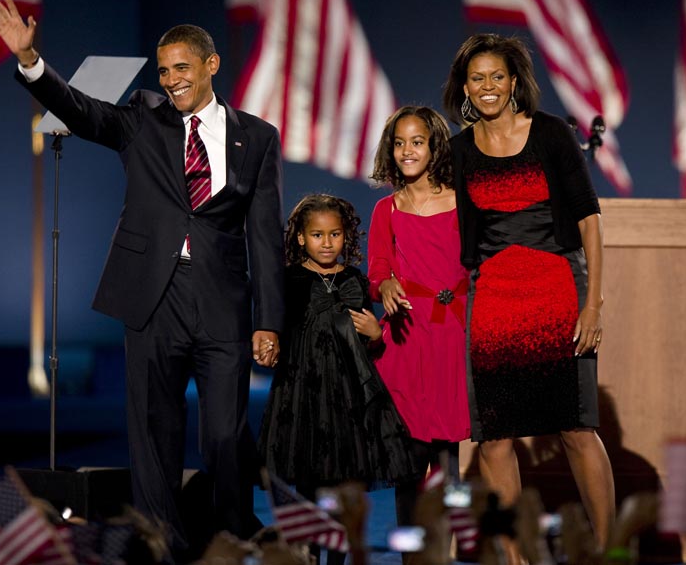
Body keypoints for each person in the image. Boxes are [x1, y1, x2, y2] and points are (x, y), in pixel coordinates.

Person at [0, 0, 285, 560]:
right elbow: (79, 110)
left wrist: (268, 321)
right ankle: (161, 548)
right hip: (152, 299)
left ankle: (230, 542)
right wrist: (31, 62)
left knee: (224, 436)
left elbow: (265, 236)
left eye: (181, 69)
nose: (171, 80)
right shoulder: (142, 119)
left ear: (211, 65)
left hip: (222, 304)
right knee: (153, 436)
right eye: (164, 69)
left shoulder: (257, 137)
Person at [442, 33, 616, 547]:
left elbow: (589, 219)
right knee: (495, 439)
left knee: (576, 429)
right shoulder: (457, 151)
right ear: (465, 89)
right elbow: (436, 219)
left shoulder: (552, 135)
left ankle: (610, 552)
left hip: (559, 292)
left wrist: (594, 304)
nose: (488, 87)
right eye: (477, 79)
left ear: (515, 81)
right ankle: (518, 560)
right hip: (493, 300)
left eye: (497, 76)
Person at [257, 194, 422, 565]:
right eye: (317, 235)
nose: (327, 242)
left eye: (334, 234)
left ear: (345, 236)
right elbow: (277, 331)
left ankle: (336, 557)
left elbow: (368, 347)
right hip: (302, 395)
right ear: (301, 237)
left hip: (349, 399)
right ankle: (309, 553)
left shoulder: (354, 280)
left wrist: (377, 335)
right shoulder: (288, 280)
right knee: (308, 484)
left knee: (345, 485)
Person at [367, 106, 471, 540]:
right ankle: (412, 551)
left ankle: (445, 548)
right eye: (399, 142)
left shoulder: (461, 200)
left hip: (450, 335)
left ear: (434, 146)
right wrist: (385, 284)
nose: (407, 150)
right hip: (406, 340)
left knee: (447, 460)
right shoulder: (386, 209)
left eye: (417, 141)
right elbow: (376, 270)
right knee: (407, 460)